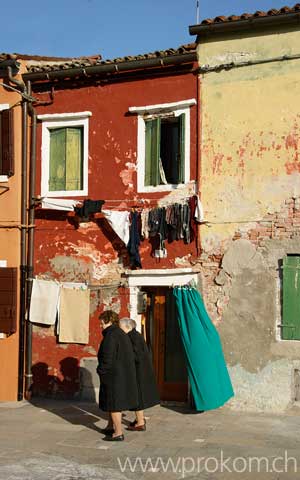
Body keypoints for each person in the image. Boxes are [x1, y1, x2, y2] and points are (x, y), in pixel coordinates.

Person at [97, 310, 138, 441]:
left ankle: (118, 432)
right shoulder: (119, 333)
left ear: (108, 321)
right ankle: (110, 426)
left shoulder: (111, 336)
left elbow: (108, 357)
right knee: (112, 402)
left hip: (113, 375)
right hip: (122, 374)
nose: (100, 325)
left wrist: (101, 371)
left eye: (102, 322)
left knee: (114, 403)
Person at [119, 317, 160, 431]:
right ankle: (139, 419)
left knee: (138, 397)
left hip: (138, 372)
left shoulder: (133, 338)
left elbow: (136, 356)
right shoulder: (135, 336)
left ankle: (140, 422)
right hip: (140, 371)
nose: (120, 329)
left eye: (121, 327)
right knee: (138, 396)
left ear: (128, 327)